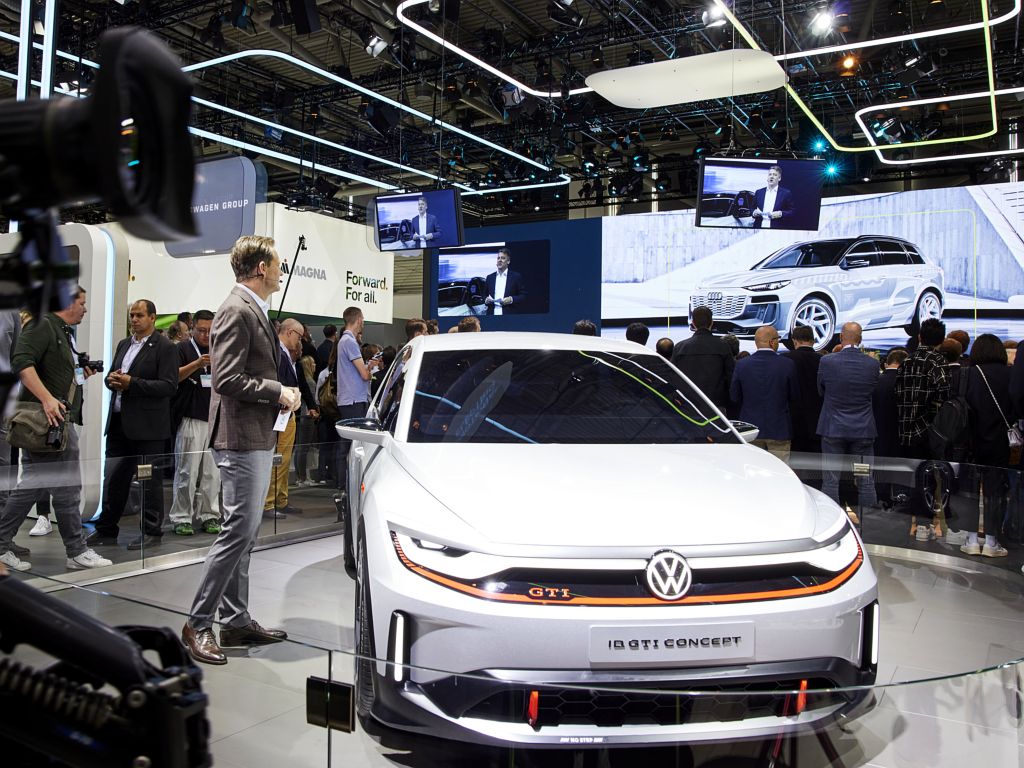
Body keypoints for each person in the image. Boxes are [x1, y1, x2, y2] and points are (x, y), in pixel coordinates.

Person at [182, 235, 300, 666]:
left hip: (252, 435)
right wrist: (277, 391)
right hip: (240, 438)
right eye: (278, 264)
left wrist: (276, 395)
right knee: (236, 533)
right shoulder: (236, 309)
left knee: (244, 535)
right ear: (261, 267)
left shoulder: (251, 308)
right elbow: (227, 379)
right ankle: (198, 623)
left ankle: (234, 621)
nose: (281, 271)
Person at [0, 287, 112, 571]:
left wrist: (79, 375)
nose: (85, 309)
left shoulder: (62, 331)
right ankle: (76, 551)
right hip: (47, 424)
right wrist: (47, 399)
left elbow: (52, 372)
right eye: (82, 303)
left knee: (32, 487)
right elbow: (21, 362)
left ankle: (2, 546)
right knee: (67, 490)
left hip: (56, 424)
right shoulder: (43, 325)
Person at [90, 300, 178, 552]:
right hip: (119, 423)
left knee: (149, 481)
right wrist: (111, 380)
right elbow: (114, 376)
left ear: (152, 317)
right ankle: (106, 529)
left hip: (148, 428)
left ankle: (151, 532)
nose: (135, 319)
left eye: (140, 315)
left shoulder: (165, 347)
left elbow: (169, 386)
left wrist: (132, 383)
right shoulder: (124, 344)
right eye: (132, 315)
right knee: (113, 479)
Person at [168, 310, 221, 537]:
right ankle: (181, 516)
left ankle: (210, 514)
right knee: (187, 471)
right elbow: (172, 377)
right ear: (192, 329)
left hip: (215, 419)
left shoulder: (219, 349)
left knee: (212, 473)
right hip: (190, 417)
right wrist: (197, 364)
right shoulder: (182, 349)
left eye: (210, 331)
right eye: (201, 330)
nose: (205, 335)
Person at [816, 323, 880, 508]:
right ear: (860, 339)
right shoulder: (872, 363)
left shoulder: (827, 361)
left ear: (841, 337)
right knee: (865, 479)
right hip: (862, 431)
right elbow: (872, 391)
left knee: (831, 480)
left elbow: (821, 390)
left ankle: (831, 519)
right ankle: (870, 522)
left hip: (833, 429)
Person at [961, 334, 1013, 557]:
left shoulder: (968, 374)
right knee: (995, 491)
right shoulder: (1009, 374)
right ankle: (992, 541)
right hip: (1000, 440)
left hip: (970, 440)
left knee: (969, 491)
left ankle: (971, 538)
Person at [265, 318, 318, 517]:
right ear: (289, 332)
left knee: (284, 459)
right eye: (299, 336)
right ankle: (269, 502)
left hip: (287, 414)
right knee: (277, 459)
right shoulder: (277, 354)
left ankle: (281, 499)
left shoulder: (287, 356)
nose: (300, 341)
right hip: (279, 413)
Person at [730, 325, 799, 461]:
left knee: (752, 469)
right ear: (772, 342)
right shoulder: (787, 364)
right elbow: (795, 396)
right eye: (778, 339)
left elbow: (734, 396)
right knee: (780, 471)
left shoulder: (742, 365)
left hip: (751, 429)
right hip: (779, 428)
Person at [336, 307, 380, 493]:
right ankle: (346, 486)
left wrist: (367, 367)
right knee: (352, 446)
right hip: (353, 400)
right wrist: (370, 370)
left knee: (348, 445)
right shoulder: (350, 342)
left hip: (349, 399)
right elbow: (364, 375)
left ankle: (344, 485)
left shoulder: (343, 341)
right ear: (359, 320)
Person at [671, 306, 734, 410]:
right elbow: (731, 378)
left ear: (693, 323)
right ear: (711, 323)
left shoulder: (680, 347)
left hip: (688, 406)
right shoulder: (723, 346)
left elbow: (673, 378)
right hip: (716, 407)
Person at [783, 325, 823, 454]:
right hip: (817, 420)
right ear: (813, 340)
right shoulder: (823, 360)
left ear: (794, 341)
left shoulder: (785, 359)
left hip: (792, 419)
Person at [484, 248, 527, 315]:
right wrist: (486, 300)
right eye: (498, 258)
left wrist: (511, 299)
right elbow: (484, 295)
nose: (500, 260)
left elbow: (523, 296)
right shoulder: (490, 277)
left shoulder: (516, 277)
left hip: (509, 316)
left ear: (508, 261)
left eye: (503, 258)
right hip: (492, 315)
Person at [751, 165, 794, 229]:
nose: (771, 176)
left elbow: (792, 212)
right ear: (767, 178)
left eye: (775, 175)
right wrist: (754, 213)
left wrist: (780, 214)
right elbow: (752, 208)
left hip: (776, 229)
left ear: (779, 178)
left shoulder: (786, 193)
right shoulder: (759, 192)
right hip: (758, 228)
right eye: (770, 174)